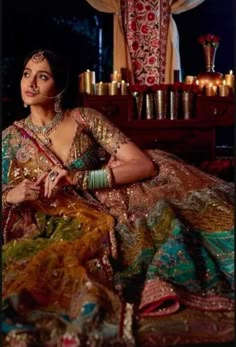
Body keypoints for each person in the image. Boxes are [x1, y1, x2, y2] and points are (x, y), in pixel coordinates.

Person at [2, 49, 234, 347]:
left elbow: (143, 164)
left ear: (59, 86)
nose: (31, 83)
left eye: (42, 76)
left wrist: (81, 178)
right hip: (52, 222)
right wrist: (12, 195)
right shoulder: (10, 139)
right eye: (26, 74)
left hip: (107, 204)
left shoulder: (83, 118)